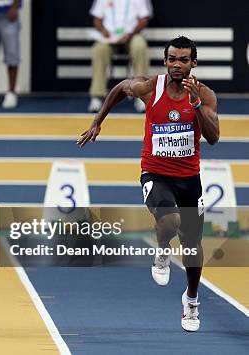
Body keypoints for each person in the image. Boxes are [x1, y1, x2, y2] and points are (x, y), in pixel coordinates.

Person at [78, 36, 219, 332]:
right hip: (155, 174)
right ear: (165, 61)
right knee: (170, 220)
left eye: (183, 60)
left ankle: (191, 301)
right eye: (171, 59)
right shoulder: (149, 87)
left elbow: (214, 136)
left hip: (189, 180)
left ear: (194, 63)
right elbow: (119, 89)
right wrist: (97, 122)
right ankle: (163, 247)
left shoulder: (204, 95)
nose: (176, 65)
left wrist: (195, 105)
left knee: (193, 246)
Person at [88, 0, 152, 113]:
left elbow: (144, 19)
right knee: (99, 49)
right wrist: (104, 31)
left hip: (132, 35)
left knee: (140, 46)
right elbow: (97, 19)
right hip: (110, 37)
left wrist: (130, 34)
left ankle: (141, 94)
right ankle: (97, 96)